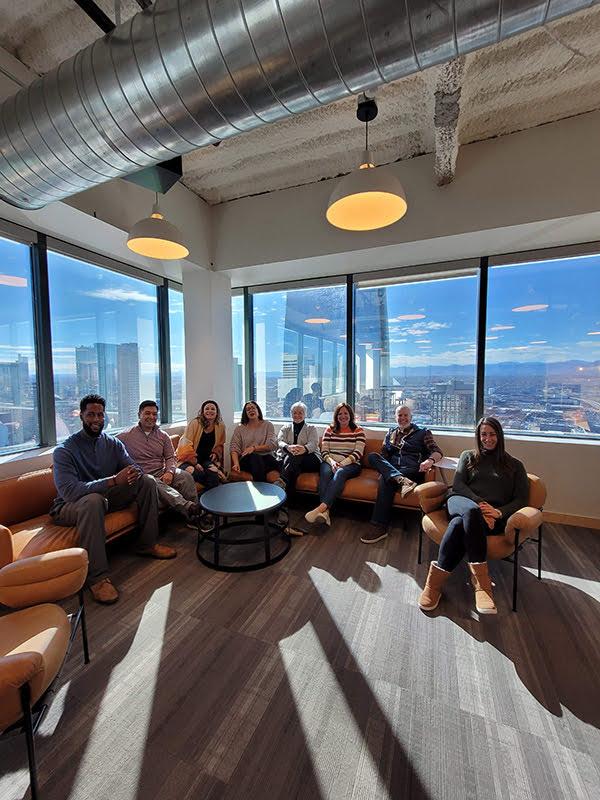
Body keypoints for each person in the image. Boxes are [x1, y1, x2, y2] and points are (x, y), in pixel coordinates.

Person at [51, 394, 176, 605]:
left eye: (100, 414)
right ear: (81, 416)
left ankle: (147, 544)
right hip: (70, 505)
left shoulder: (112, 443)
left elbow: (132, 466)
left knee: (146, 481)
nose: (96, 419)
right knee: (93, 501)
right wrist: (112, 481)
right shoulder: (64, 450)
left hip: (104, 498)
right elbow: (70, 492)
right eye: (91, 414)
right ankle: (97, 578)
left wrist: (133, 472)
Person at [418, 416, 529, 615]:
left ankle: (433, 587)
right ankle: (483, 586)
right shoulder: (468, 456)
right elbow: (459, 485)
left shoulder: (515, 465)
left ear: (499, 436)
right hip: (460, 502)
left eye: (492, 434)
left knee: (460, 525)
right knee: (470, 512)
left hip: (491, 516)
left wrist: (499, 512)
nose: (487, 439)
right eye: (483, 434)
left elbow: (521, 499)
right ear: (478, 436)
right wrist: (479, 503)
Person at [361, 405, 442, 544]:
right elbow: (383, 456)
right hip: (394, 467)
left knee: (386, 480)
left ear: (411, 417)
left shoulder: (423, 432)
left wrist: (430, 460)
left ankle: (379, 526)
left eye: (405, 415)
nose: (402, 418)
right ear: (395, 417)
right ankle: (400, 480)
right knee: (373, 457)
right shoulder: (391, 432)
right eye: (400, 415)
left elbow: (437, 451)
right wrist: (386, 449)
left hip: (411, 469)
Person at [118, 400, 200, 524]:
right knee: (152, 481)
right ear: (139, 415)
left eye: (155, 414)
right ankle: (189, 507)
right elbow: (108, 444)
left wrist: (170, 472)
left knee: (185, 476)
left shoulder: (163, 435)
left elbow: (170, 457)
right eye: (147, 413)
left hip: (161, 471)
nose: (151, 417)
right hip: (142, 477)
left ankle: (195, 517)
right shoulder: (126, 435)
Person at [305, 403, 365, 527]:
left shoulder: (358, 430)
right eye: (340, 414)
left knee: (340, 472)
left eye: (346, 413)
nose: (343, 416)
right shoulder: (329, 430)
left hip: (351, 463)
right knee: (326, 472)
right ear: (336, 416)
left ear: (350, 415)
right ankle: (325, 513)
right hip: (330, 461)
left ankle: (321, 508)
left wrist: (341, 464)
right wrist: (332, 462)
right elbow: (324, 451)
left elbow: (358, 453)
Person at [176, 400, 227, 491]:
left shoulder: (221, 426)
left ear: (217, 412)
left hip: (205, 459)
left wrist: (215, 453)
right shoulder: (195, 423)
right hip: (187, 460)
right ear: (202, 412)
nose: (210, 411)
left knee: (213, 475)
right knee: (198, 473)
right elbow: (185, 445)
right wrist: (195, 463)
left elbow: (220, 445)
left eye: (213, 409)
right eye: (206, 409)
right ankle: (201, 502)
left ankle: (211, 503)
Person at [230, 401, 280, 482]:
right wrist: (236, 463)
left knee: (274, 461)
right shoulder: (240, 429)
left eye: (253, 408)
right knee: (255, 457)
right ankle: (262, 486)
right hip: (248, 459)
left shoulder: (268, 425)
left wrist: (254, 448)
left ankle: (282, 486)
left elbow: (272, 445)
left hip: (266, 458)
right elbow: (234, 448)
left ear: (258, 410)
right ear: (245, 413)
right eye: (248, 409)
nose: (251, 410)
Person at [277, 401, 321, 492]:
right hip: (293, 460)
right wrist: (288, 447)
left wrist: (304, 449)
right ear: (291, 414)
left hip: (311, 459)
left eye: (300, 413)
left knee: (293, 458)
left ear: (305, 414)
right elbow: (280, 441)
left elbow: (314, 443)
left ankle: (282, 481)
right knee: (294, 466)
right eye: (294, 413)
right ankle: (289, 499)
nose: (297, 415)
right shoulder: (285, 428)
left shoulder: (311, 428)